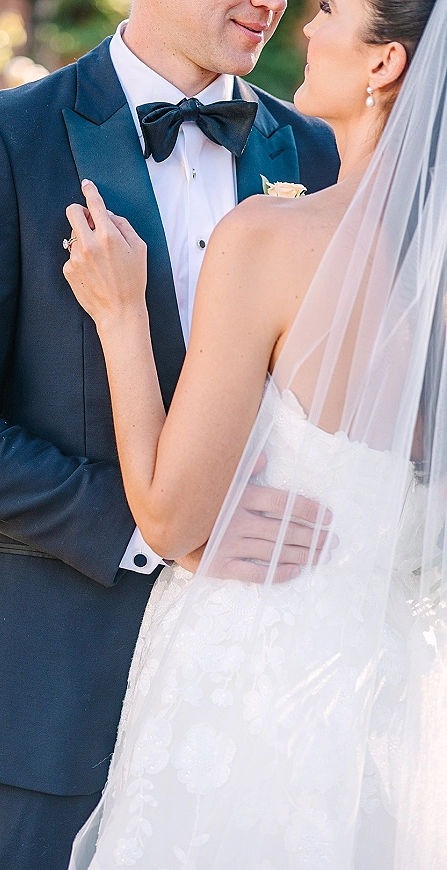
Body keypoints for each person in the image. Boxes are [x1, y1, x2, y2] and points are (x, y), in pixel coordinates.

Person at [0, 2, 339, 869]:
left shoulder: (315, 149)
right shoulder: (6, 138)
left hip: (256, 694)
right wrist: (157, 529)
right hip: (50, 698)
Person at [62, 0, 447, 866]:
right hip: (395, 703)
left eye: (333, 11)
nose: (304, 25)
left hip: (251, 688)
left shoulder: (273, 237)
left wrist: (123, 315)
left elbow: (167, 519)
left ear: (384, 66)